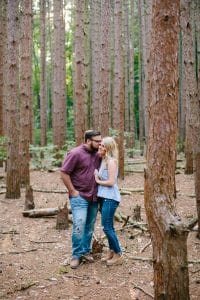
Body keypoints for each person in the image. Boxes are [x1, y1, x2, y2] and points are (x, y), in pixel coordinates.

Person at [60, 130, 102, 269]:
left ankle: (85, 251)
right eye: (97, 141)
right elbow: (64, 172)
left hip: (94, 197)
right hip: (79, 196)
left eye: (101, 141)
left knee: (89, 226)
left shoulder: (98, 154)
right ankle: (76, 255)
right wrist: (72, 191)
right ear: (88, 141)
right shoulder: (75, 153)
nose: (100, 143)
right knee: (79, 225)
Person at [94, 137, 123, 266]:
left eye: (103, 146)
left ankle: (118, 253)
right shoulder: (104, 160)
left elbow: (111, 182)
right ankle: (112, 251)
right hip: (104, 197)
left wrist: (97, 180)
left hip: (110, 198)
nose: (100, 147)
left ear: (109, 148)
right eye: (100, 145)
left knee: (107, 227)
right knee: (108, 226)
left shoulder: (111, 162)